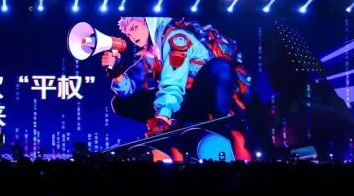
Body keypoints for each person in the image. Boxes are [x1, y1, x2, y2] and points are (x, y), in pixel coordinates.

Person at [100, 16, 251, 146]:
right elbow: (130, 87)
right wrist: (117, 73)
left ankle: (222, 121)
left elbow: (173, 79)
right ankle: (176, 126)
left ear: (148, 22)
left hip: (206, 97)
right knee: (120, 102)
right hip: (185, 101)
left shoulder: (175, 38)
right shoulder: (153, 53)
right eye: (128, 33)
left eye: (134, 28)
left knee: (220, 66)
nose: (132, 36)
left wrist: (163, 116)